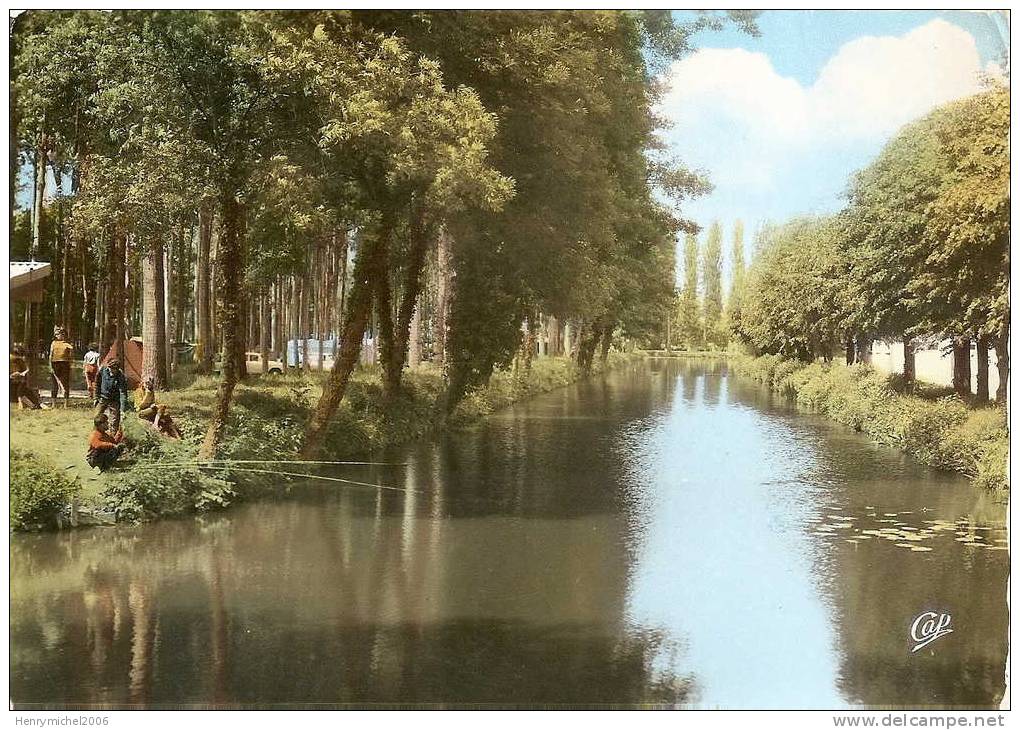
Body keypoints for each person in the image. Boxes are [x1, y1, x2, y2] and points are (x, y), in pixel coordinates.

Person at [95, 359, 129, 433]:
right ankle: (96, 435)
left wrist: (122, 409)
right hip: (103, 398)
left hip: (114, 400)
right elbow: (97, 383)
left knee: (114, 420)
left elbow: (122, 392)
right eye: (112, 369)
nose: (113, 371)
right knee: (97, 417)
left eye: (115, 369)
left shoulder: (120, 376)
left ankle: (113, 436)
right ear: (108, 367)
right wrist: (96, 397)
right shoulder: (102, 370)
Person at [10, 344, 44, 410]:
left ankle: (33, 405)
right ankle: (31, 406)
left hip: (21, 380)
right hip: (13, 381)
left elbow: (27, 370)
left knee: (22, 393)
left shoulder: (21, 361)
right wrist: (11, 375)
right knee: (21, 393)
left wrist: (21, 374)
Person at [49, 326, 74, 407]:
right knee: (54, 384)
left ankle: (66, 404)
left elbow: (71, 356)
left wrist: (71, 365)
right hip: (55, 364)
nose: (60, 336)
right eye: (58, 334)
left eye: (62, 334)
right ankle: (53, 404)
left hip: (65, 364)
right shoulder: (53, 343)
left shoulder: (68, 345)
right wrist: (50, 366)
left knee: (65, 383)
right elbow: (50, 355)